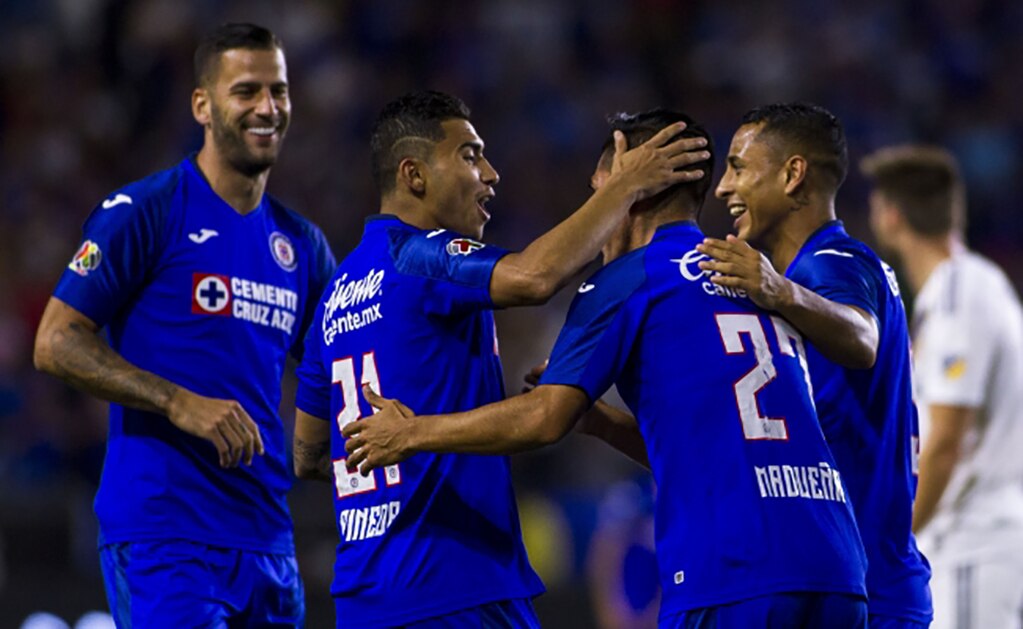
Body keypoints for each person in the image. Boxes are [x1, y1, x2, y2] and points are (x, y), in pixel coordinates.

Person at [340, 109, 869, 627]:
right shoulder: (754, 277)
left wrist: (411, 432)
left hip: (732, 573)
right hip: (836, 563)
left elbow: (543, 418)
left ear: (633, 190)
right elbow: (709, 448)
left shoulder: (627, 279)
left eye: (601, 192)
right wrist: (599, 421)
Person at [291, 93, 708, 627]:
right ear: (414, 175)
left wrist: (395, 482)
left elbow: (309, 457)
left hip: (364, 596)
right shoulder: (419, 256)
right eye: (470, 156)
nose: (490, 173)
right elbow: (535, 277)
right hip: (457, 585)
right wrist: (626, 187)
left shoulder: (332, 299)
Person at [32, 23, 336, 626]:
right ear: (202, 104)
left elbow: (341, 366)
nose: (267, 107)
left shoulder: (302, 244)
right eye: (245, 91)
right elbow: (55, 340)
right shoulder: (147, 210)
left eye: (278, 91)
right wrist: (177, 402)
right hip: (165, 537)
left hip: (269, 542)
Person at [697, 103, 932, 626]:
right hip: (859, 582)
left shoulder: (829, 266)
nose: (723, 188)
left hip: (865, 589)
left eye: (738, 167)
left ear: (792, 174)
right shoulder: (821, 274)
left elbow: (862, 338)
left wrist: (778, 290)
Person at [861, 145, 1023, 628]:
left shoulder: (960, 295)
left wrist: (893, 543)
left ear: (891, 214)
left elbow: (947, 440)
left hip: (974, 538)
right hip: (971, 537)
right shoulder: (966, 289)